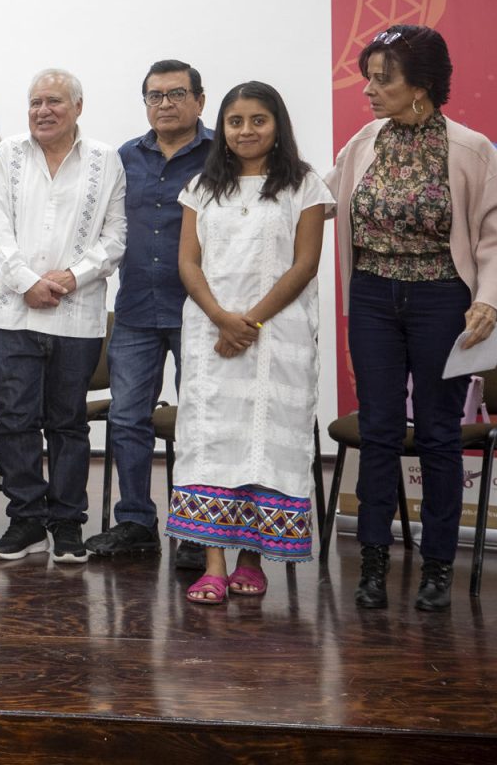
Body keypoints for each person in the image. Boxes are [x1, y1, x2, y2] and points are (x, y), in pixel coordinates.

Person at [328, 25, 497, 612]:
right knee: (379, 431)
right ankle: (371, 562)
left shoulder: (471, 150)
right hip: (372, 298)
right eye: (368, 76)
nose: (368, 89)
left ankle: (438, 565)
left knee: (440, 434)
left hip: (444, 301)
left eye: (382, 78)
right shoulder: (364, 141)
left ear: (421, 85)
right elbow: (323, 197)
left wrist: (488, 299)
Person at [162, 82, 333, 604]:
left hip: (277, 339)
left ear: (277, 124)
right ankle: (212, 564)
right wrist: (221, 318)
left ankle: (251, 563)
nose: (246, 131)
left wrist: (251, 322)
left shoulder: (305, 186)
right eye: (235, 121)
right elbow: (188, 262)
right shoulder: (201, 187)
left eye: (258, 120)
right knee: (211, 441)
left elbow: (305, 264)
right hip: (211, 337)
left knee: (265, 444)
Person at [0, 69, 126, 564]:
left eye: (55, 102)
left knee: (68, 424)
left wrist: (70, 277)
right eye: (35, 102)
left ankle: (67, 525)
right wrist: (28, 282)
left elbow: (115, 237)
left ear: (79, 107)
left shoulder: (107, 160)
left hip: (76, 315)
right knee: (15, 421)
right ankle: (25, 521)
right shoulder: (8, 155)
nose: (43, 110)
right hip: (10, 315)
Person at [85, 60, 212, 572]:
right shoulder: (124, 157)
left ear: (200, 100)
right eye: (155, 96)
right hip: (136, 307)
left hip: (200, 309)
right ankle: (136, 522)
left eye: (176, 93)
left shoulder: (220, 154)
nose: (165, 104)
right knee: (126, 419)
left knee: (199, 422)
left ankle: (198, 530)